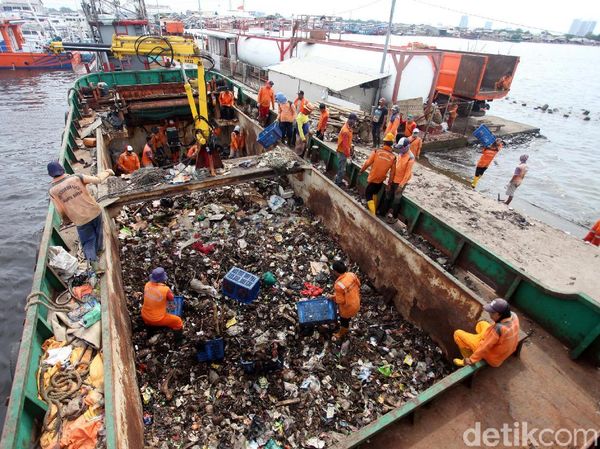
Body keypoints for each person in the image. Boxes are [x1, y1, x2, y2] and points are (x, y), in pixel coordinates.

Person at [47, 161, 114, 272]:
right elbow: (98, 179)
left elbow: (60, 210)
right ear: (62, 169)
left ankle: (94, 265)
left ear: (51, 174)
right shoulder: (77, 177)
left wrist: (66, 220)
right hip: (95, 211)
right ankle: (99, 250)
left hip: (80, 220)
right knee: (99, 232)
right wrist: (107, 172)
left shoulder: (52, 191)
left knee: (88, 241)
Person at [453, 298, 520, 367]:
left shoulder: (498, 329)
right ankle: (476, 342)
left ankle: (467, 359)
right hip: (504, 349)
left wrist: (471, 360)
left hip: (493, 357)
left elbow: (484, 347)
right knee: (481, 324)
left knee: (457, 334)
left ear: (499, 314)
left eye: (492, 313)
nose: (489, 315)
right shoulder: (513, 316)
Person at [379, 138, 415, 223]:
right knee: (388, 196)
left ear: (407, 147)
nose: (400, 149)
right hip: (394, 179)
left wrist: (401, 185)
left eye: (401, 147)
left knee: (396, 200)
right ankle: (383, 212)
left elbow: (407, 174)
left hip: (400, 182)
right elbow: (395, 167)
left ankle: (394, 217)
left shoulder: (410, 157)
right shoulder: (400, 153)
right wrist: (390, 180)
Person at [359, 132, 396, 215]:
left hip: (373, 177)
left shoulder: (376, 151)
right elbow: (392, 173)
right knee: (375, 193)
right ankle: (373, 208)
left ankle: (372, 213)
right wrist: (390, 183)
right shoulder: (393, 157)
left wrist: (361, 170)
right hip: (381, 179)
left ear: (384, 142)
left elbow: (368, 163)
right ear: (391, 144)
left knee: (368, 193)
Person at [328, 261, 360, 340]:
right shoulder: (351, 275)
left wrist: (334, 298)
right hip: (356, 302)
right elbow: (358, 284)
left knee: (344, 322)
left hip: (348, 308)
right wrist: (333, 296)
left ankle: (341, 333)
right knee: (348, 318)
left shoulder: (338, 285)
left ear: (336, 271)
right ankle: (346, 324)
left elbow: (340, 301)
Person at [334, 113, 357, 186]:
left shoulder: (348, 127)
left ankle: (338, 180)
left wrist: (351, 148)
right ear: (351, 120)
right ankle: (338, 183)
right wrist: (348, 156)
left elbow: (348, 143)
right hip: (342, 152)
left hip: (343, 151)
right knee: (342, 169)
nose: (355, 122)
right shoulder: (346, 131)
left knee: (341, 167)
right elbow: (345, 146)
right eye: (354, 121)